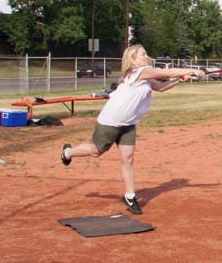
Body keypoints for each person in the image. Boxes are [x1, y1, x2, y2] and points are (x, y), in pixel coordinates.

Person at [59, 44, 204, 214]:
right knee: (96, 151)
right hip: (111, 121)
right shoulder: (139, 72)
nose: (146, 56)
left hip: (128, 123)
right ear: (133, 59)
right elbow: (167, 72)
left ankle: (130, 195)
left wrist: (180, 79)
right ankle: (68, 152)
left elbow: (160, 87)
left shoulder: (146, 76)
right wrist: (192, 71)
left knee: (127, 159)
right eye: (142, 54)